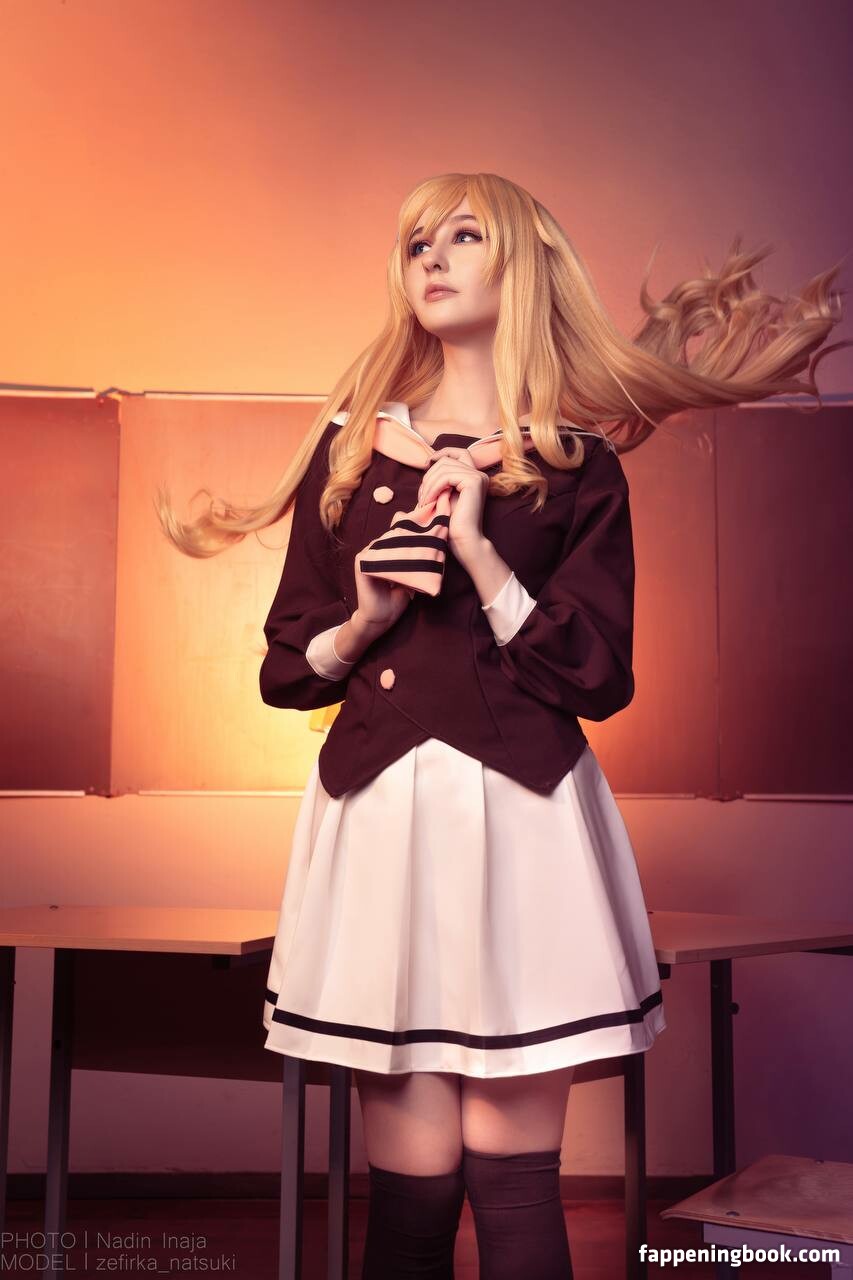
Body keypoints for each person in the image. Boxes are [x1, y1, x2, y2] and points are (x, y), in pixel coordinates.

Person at [156, 172, 845, 1280]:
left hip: (524, 820)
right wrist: (365, 619)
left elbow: (599, 675)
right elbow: (286, 672)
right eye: (415, 241)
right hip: (378, 821)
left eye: (463, 235)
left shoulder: (577, 466)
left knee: (515, 1181)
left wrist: (482, 561)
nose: (430, 258)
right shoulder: (351, 452)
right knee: (411, 1187)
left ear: (521, 263)